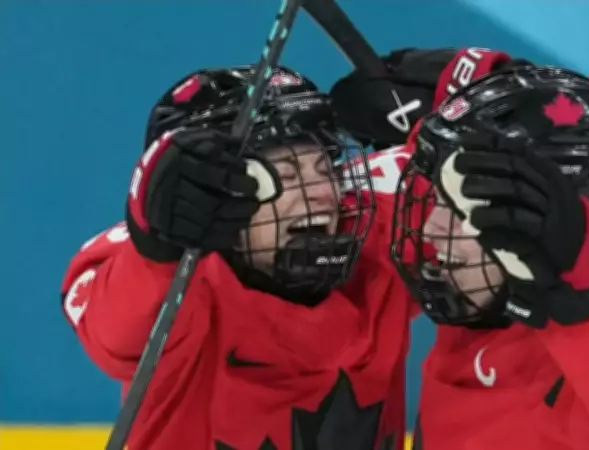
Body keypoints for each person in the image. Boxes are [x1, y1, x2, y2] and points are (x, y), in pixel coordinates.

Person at [331, 48, 589, 449]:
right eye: (436, 198)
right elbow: (365, 201)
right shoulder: (481, 257)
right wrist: (583, 106)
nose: (429, 229)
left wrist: (586, 290)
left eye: (459, 206)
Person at [61, 66, 417, 450]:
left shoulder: (379, 238)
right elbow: (117, 334)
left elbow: (450, 180)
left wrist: (452, 98)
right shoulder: (178, 284)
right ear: (214, 193)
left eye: (324, 168)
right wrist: (155, 245)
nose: (321, 194)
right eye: (286, 175)